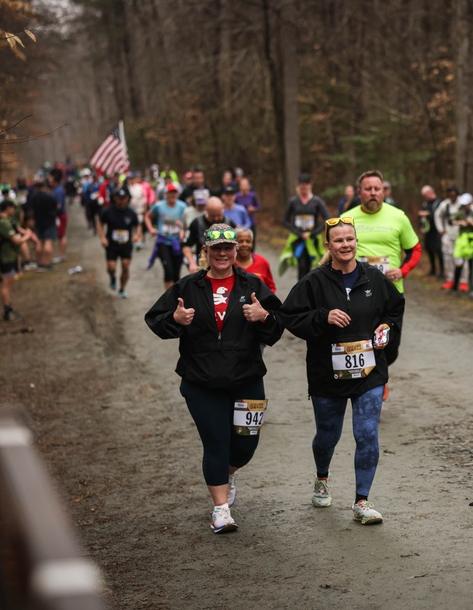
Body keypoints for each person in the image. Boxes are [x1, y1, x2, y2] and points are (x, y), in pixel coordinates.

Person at [145, 223, 283, 533]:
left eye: (228, 248)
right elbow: (155, 319)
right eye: (215, 248)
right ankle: (221, 510)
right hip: (201, 380)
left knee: (246, 445)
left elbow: (278, 325)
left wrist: (264, 317)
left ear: (237, 251)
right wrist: (175, 320)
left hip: (247, 377)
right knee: (216, 442)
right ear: (205, 251)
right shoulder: (188, 286)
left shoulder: (253, 284)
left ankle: (228, 472)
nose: (222, 253)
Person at [279, 216, 405, 525]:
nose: (345, 245)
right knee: (327, 435)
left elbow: (395, 307)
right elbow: (290, 316)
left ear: (356, 242)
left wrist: (386, 328)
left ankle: (362, 500)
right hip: (327, 374)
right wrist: (322, 317)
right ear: (328, 245)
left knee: (366, 433)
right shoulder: (314, 281)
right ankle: (322, 477)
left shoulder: (374, 278)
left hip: (369, 373)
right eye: (338, 240)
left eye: (350, 239)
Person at [343, 169, 420, 370]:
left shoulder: (398, 217)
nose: (373, 192)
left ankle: (380, 370)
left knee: (390, 344)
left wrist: (403, 271)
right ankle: (372, 380)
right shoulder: (347, 219)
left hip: (390, 291)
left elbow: (415, 249)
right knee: (360, 339)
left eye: (377, 189)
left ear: (384, 192)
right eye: (368, 189)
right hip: (356, 290)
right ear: (360, 192)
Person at [280, 173, 332, 281]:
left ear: (310, 185)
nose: (304, 187)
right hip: (298, 239)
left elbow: (328, 218)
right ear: (298, 186)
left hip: (312, 238)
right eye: (301, 184)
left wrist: (314, 232)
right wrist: (298, 233)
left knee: (314, 264)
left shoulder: (316, 201)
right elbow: (285, 220)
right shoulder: (293, 201)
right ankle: (302, 288)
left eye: (306, 184)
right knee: (302, 265)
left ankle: (311, 287)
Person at [0, 199, 35, 321]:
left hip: (11, 256)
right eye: (13, 208)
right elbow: (16, 240)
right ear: (7, 208)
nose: (15, 210)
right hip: (5, 257)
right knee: (6, 284)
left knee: (9, 281)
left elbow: (18, 230)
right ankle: (7, 311)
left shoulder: (8, 221)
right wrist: (27, 236)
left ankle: (9, 308)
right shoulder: (2, 223)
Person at [97, 185, 141, 298]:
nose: (121, 200)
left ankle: (122, 288)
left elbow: (137, 226)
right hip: (111, 244)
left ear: (127, 198)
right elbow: (100, 223)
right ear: (115, 198)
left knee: (125, 265)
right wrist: (102, 237)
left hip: (126, 244)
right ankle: (112, 277)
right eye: (119, 197)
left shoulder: (131, 213)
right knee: (111, 267)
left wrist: (136, 235)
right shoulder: (108, 211)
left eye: (124, 198)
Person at [146, 183, 187, 289]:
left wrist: (182, 228)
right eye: (170, 192)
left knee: (176, 273)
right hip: (163, 242)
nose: (172, 195)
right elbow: (147, 216)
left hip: (177, 242)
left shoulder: (183, 206)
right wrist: (151, 229)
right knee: (168, 270)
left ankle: (175, 299)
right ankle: (168, 299)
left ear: (177, 194)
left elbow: (186, 224)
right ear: (166, 194)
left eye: (174, 192)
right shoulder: (159, 206)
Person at [183, 196, 231, 273]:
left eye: (218, 215)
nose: (216, 219)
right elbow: (186, 245)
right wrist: (191, 262)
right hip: (203, 267)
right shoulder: (197, 223)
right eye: (213, 216)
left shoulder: (229, 224)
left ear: (223, 210)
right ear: (206, 211)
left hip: (225, 267)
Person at [434, 186, 462, 290]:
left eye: (454, 194)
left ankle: (463, 281)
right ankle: (450, 279)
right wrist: (441, 229)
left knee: (461, 259)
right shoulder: (445, 204)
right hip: (448, 236)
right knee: (448, 258)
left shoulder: (462, 203)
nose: (452, 196)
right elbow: (437, 215)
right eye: (450, 194)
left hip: (461, 236)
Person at [27, 179, 59, 271]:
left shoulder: (33, 197)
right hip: (49, 221)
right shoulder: (49, 196)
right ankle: (47, 262)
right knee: (48, 242)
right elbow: (56, 207)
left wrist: (31, 220)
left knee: (39, 242)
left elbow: (29, 209)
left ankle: (39, 263)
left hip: (38, 222)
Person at [451, 193, 473, 292]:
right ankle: (454, 286)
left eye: (466, 204)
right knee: (458, 264)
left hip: (471, 241)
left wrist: (472, 223)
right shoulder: (460, 213)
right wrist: (459, 222)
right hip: (461, 241)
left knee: (471, 265)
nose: (465, 206)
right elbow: (451, 220)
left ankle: (471, 287)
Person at [234, 227, 276, 293]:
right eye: (240, 241)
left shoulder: (262, 262)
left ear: (252, 243)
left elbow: (271, 287)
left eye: (248, 241)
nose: (244, 244)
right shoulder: (228, 264)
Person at [418, 185, 443, 278]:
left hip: (437, 231)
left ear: (430, 192)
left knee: (438, 251)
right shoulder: (425, 203)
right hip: (428, 231)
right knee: (429, 250)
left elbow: (438, 216)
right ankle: (433, 269)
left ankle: (442, 271)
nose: (425, 197)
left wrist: (428, 214)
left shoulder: (439, 203)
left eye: (426, 195)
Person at [49, 167, 68, 264]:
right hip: (60, 215)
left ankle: (62, 255)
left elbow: (58, 205)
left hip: (61, 215)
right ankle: (61, 254)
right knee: (61, 235)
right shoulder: (56, 189)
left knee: (61, 235)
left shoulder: (58, 190)